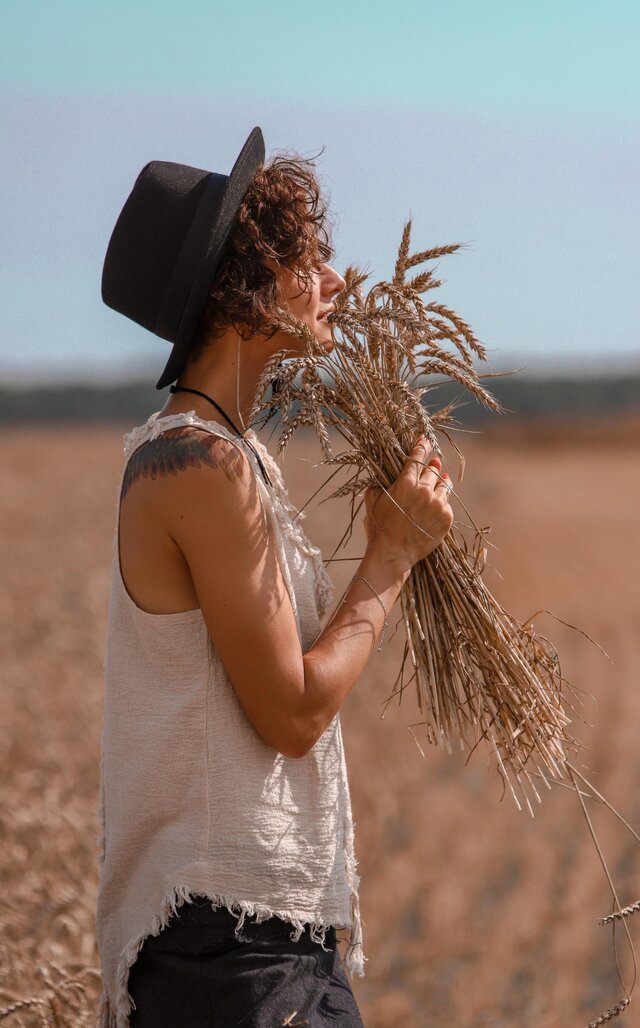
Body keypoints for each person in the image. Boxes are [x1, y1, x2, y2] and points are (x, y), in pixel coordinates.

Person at [95, 126, 454, 1028]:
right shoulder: (196, 466)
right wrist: (392, 558)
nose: (335, 279)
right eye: (307, 256)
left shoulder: (234, 457)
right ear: (242, 288)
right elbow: (292, 713)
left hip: (260, 947)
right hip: (231, 958)